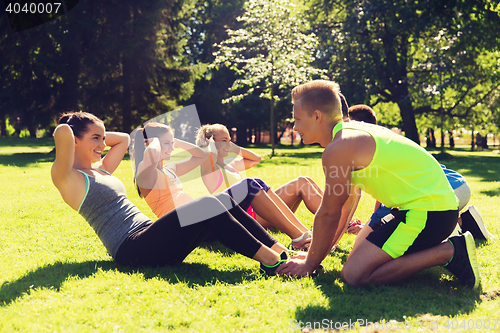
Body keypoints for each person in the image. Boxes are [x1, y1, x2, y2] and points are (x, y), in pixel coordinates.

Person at [276, 80, 480, 289]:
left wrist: (309, 264)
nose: (295, 127)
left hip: (430, 212)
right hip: (419, 209)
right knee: (356, 259)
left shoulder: (340, 147)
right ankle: (435, 248)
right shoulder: (350, 135)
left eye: (298, 119)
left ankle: (449, 252)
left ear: (317, 116)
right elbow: (343, 207)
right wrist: (315, 255)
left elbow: (329, 213)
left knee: (354, 275)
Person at [50, 111, 299, 275]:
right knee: (207, 204)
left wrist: (97, 134)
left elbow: (124, 139)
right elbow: (62, 132)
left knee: (221, 202)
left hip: (151, 236)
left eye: (103, 138)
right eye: (95, 138)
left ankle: (280, 251)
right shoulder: (68, 178)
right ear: (75, 140)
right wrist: (74, 123)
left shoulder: (101, 170)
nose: (103, 144)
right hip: (132, 249)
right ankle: (273, 263)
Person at [132, 122, 312, 250]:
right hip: (190, 227)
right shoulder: (146, 174)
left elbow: (199, 156)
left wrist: (173, 141)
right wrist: (154, 141)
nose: (171, 148)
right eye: (166, 144)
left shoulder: (170, 169)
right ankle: (299, 238)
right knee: (249, 184)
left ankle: (302, 234)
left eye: (172, 144)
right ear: (150, 144)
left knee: (257, 183)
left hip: (201, 218)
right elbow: (151, 155)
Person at [346, 104, 492, 242]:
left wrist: (366, 227)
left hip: (444, 193)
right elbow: (381, 200)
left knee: (391, 234)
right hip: (457, 184)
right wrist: (373, 221)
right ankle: (465, 222)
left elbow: (358, 198)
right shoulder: (387, 140)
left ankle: (456, 231)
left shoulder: (368, 153)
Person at [195, 124, 321, 240]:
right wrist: (210, 145)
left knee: (304, 180)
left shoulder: (231, 164)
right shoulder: (209, 168)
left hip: (256, 209)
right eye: (224, 141)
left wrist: (235, 148)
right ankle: (315, 233)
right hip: (246, 216)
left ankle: (324, 228)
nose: (229, 144)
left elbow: (256, 159)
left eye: (229, 140)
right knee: (301, 184)